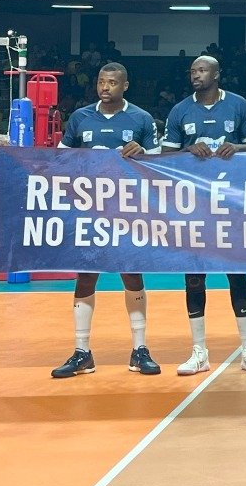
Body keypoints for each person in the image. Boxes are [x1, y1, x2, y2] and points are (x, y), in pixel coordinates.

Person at [50, 63, 162, 378]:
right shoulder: (80, 117)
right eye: (101, 81)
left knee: (132, 274)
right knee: (86, 275)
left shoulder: (141, 118)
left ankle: (140, 349)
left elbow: (159, 166)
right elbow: (60, 159)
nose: (105, 87)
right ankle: (82, 353)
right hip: (90, 209)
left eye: (112, 82)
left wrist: (142, 153)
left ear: (125, 86)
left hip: (128, 208)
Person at [162, 55, 246, 375]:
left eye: (202, 70)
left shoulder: (237, 105)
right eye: (193, 70)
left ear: (217, 74)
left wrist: (236, 147)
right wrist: (188, 150)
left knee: (237, 273)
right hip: (194, 206)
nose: (196, 74)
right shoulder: (180, 110)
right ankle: (199, 352)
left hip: (230, 203)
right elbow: (166, 154)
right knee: (194, 277)